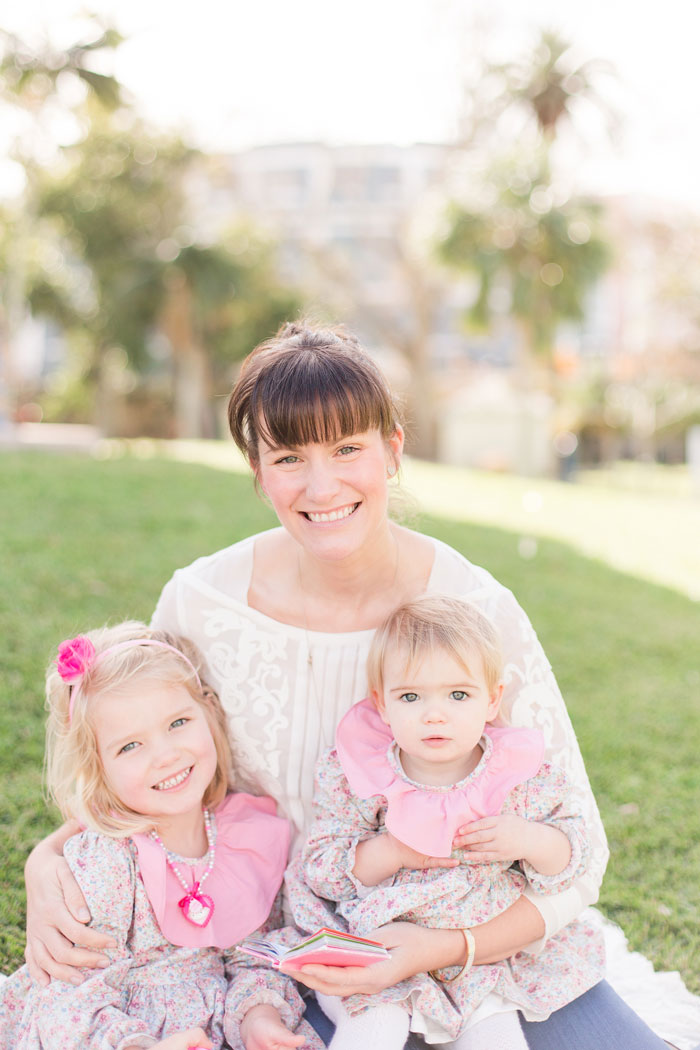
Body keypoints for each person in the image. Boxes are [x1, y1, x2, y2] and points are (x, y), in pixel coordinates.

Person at [23, 322, 677, 1049]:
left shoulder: (476, 611)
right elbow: (144, 756)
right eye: (289, 457)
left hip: (475, 940)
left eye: (347, 449)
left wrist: (443, 949)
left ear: (393, 451)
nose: (321, 485)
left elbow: (576, 853)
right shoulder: (201, 601)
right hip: (264, 956)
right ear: (257, 468)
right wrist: (45, 859)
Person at [286, 594, 606, 1050]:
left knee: (497, 1040)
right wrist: (393, 850)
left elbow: (572, 857)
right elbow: (322, 868)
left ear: (492, 700)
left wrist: (529, 839)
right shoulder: (363, 773)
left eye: (458, 694)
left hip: (483, 961)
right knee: (372, 1031)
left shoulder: (515, 775)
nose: (434, 713)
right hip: (382, 947)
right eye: (411, 696)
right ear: (381, 705)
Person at [2, 621, 323, 1050]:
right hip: (114, 1033)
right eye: (130, 746)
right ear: (98, 769)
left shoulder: (246, 837)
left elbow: (254, 958)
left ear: (208, 713)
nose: (166, 755)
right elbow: (69, 990)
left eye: (178, 722)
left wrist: (257, 1018)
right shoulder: (108, 860)